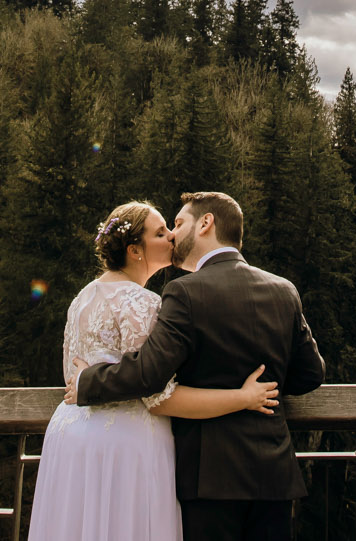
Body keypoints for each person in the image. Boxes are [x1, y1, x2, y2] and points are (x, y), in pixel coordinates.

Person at [68, 191, 326, 541]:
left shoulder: (184, 292)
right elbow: (312, 374)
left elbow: (149, 373)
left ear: (206, 223)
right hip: (274, 475)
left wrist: (88, 383)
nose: (173, 235)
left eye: (178, 223)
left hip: (209, 480)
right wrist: (266, 384)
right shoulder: (284, 290)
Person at [26, 201, 283, 541]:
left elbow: (72, 376)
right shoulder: (142, 302)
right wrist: (242, 397)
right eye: (161, 232)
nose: (173, 236)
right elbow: (158, 398)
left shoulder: (82, 298)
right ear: (135, 250)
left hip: (70, 437)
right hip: (125, 447)